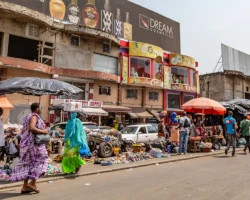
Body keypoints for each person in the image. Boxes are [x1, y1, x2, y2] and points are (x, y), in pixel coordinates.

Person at [10, 103, 49, 194]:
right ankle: (32, 183)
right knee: (42, 161)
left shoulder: (29, 116)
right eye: (39, 108)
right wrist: (44, 131)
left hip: (27, 144)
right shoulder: (34, 116)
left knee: (29, 164)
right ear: (36, 109)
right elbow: (32, 128)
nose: (40, 110)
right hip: (34, 145)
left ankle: (25, 186)